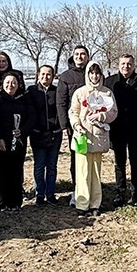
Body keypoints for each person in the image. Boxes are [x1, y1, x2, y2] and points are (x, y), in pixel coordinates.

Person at [68, 61, 117, 216]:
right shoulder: (80, 92)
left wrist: (102, 116)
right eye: (91, 73)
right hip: (83, 137)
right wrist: (77, 125)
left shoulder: (107, 93)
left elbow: (113, 112)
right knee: (82, 172)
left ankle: (95, 204)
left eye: (97, 73)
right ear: (87, 74)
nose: (94, 76)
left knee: (96, 172)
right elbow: (73, 112)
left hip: (98, 136)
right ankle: (82, 204)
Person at [104, 54, 137, 206]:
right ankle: (120, 192)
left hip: (136, 129)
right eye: (123, 63)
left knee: (135, 162)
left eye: (129, 64)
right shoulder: (110, 82)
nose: (126, 66)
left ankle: (136, 192)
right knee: (119, 162)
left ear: (134, 65)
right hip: (116, 129)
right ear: (118, 65)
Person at [0, 73, 35, 210]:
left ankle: (15, 202)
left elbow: (31, 119)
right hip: (2, 142)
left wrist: (22, 131)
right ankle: (2, 202)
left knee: (17, 171)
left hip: (19, 141)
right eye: (8, 82)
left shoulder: (23, 99)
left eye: (14, 83)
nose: (10, 85)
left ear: (18, 85)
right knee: (3, 172)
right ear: (2, 83)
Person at [57, 45, 90, 202]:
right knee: (76, 158)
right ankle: (77, 190)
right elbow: (61, 103)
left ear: (87, 57)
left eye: (83, 54)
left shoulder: (93, 73)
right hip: (75, 127)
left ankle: (91, 188)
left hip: (92, 125)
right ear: (73, 57)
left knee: (91, 157)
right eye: (77, 54)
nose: (79, 57)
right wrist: (65, 126)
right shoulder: (66, 77)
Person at [27, 65, 63, 205]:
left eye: (49, 74)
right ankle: (40, 194)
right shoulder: (32, 91)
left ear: (53, 76)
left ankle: (51, 193)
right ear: (38, 75)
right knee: (39, 165)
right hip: (37, 134)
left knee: (52, 165)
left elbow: (61, 108)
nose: (45, 77)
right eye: (43, 74)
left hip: (55, 134)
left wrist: (60, 126)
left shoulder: (57, 91)